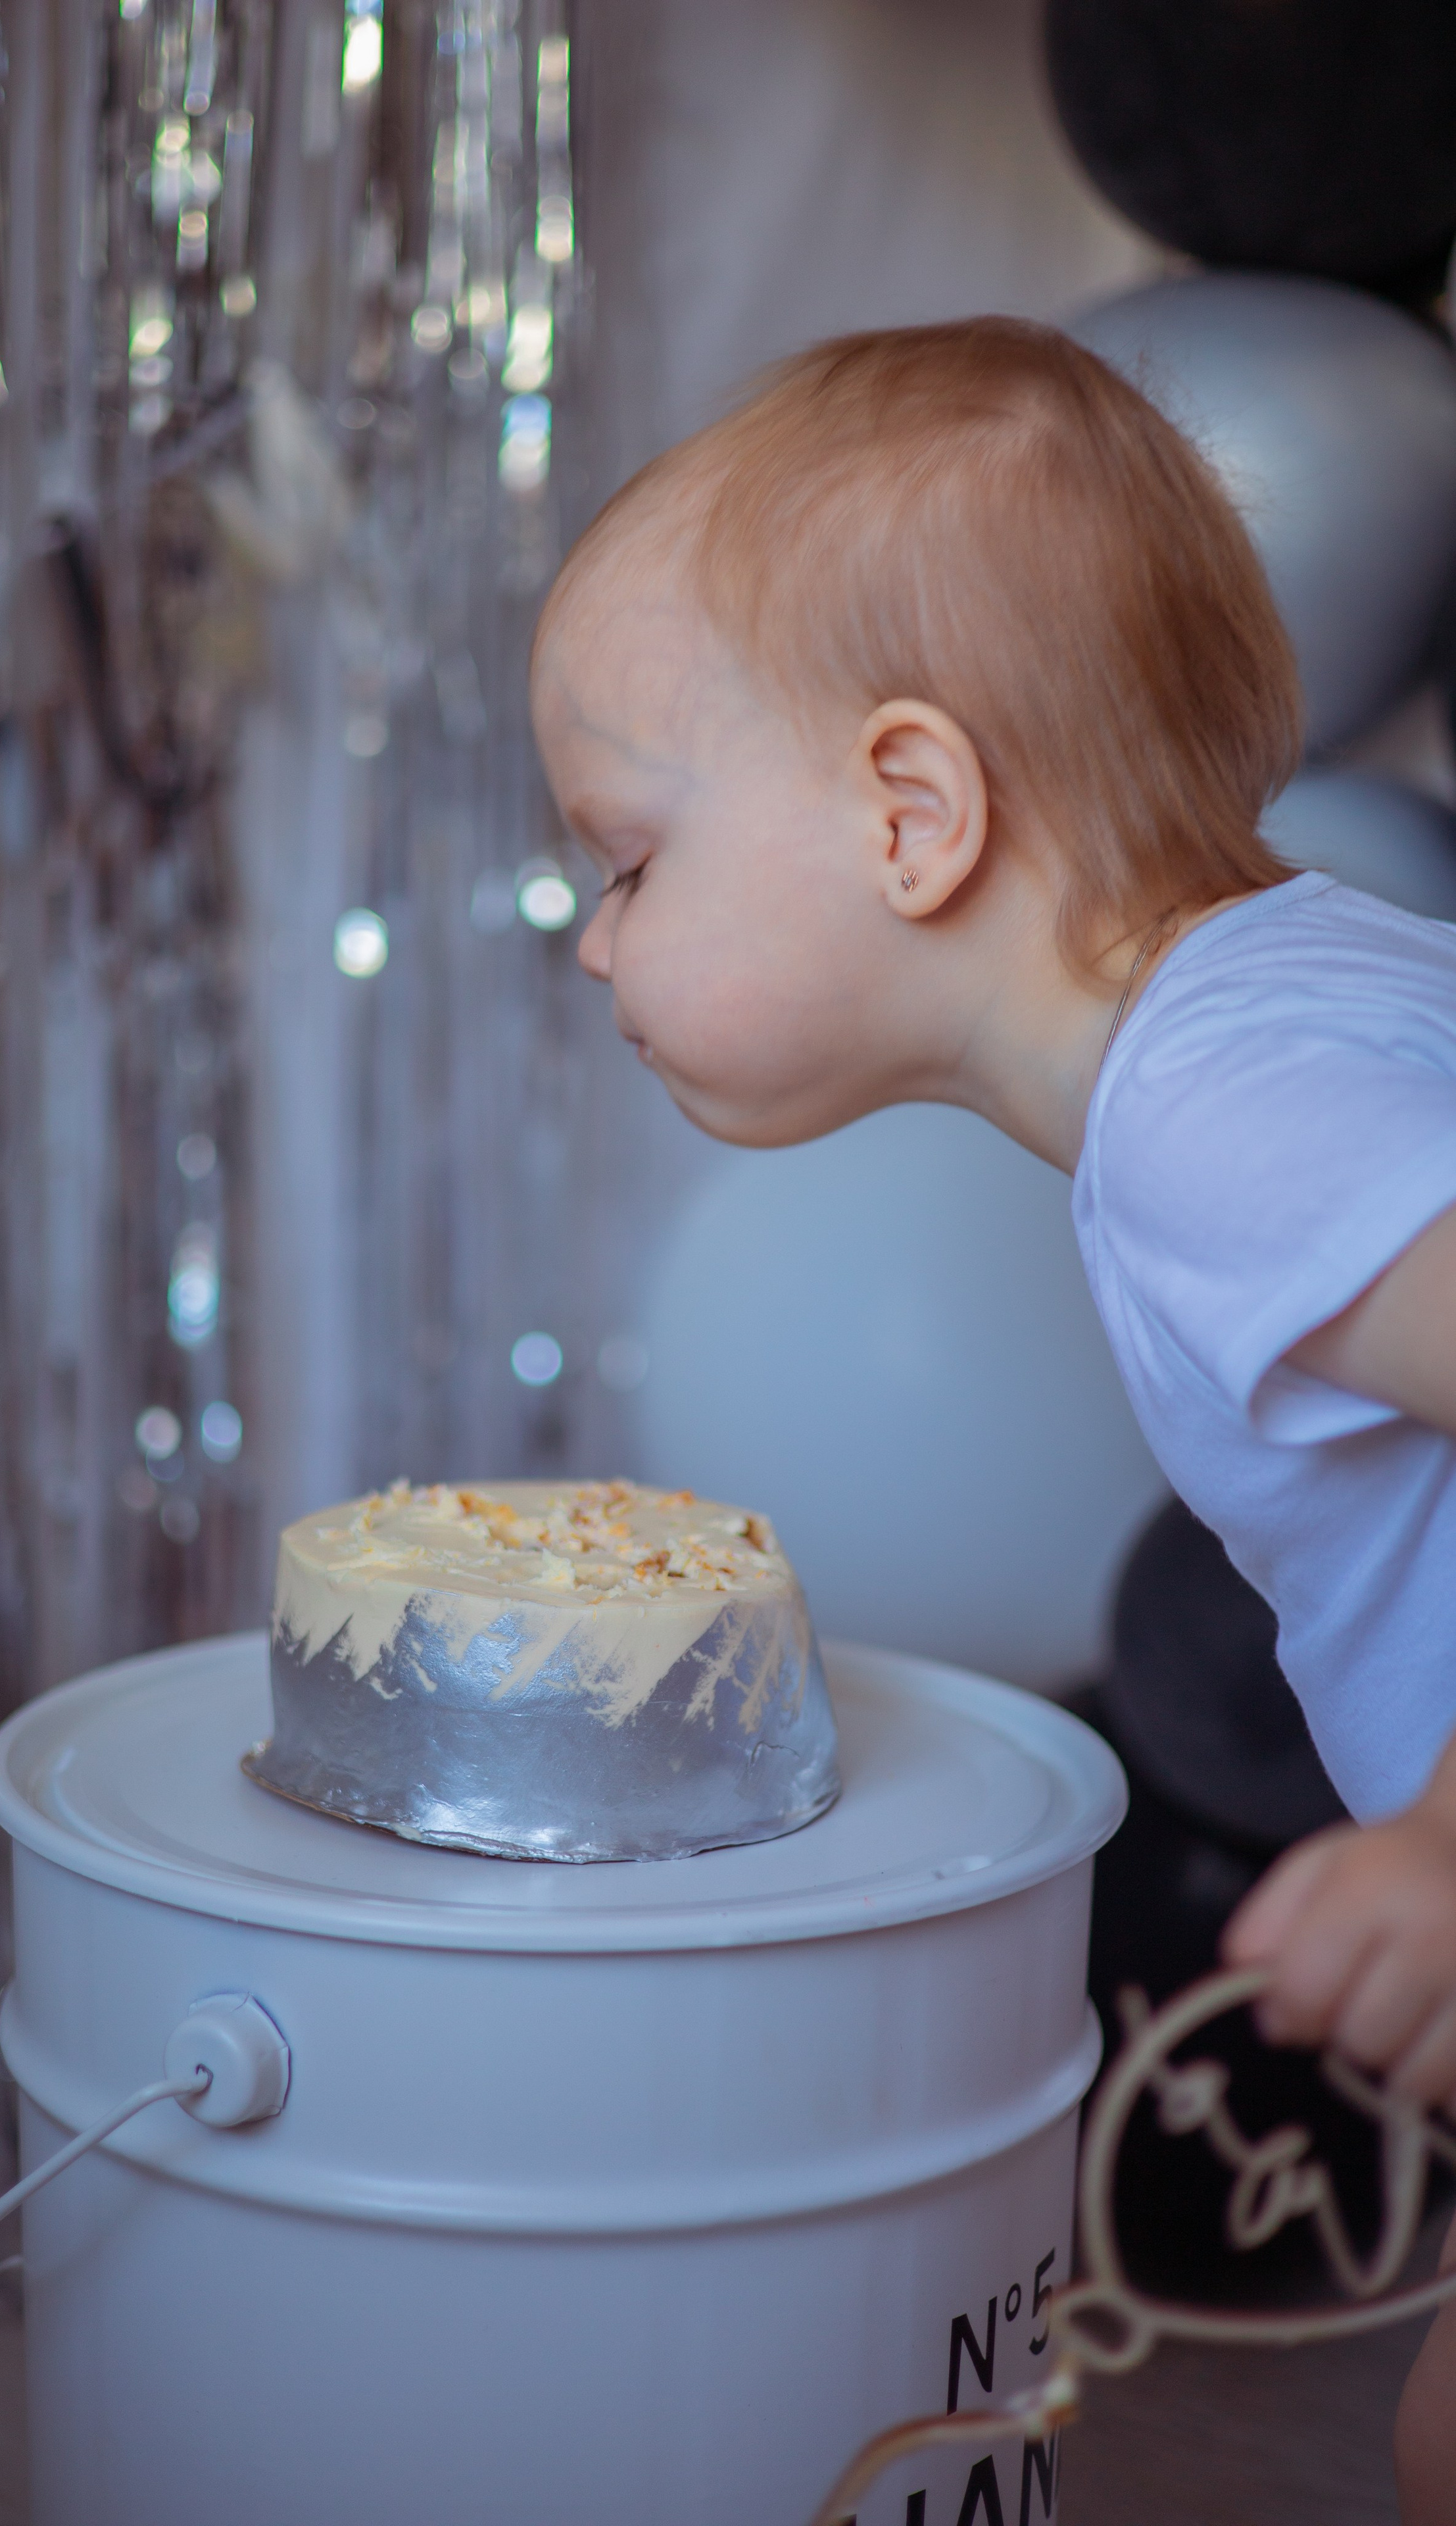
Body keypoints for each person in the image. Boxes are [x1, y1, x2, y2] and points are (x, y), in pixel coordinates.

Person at [529, 319, 1456, 2517]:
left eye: (628, 857)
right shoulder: (1300, 990)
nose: (591, 942)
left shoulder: (1222, 1119)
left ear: (913, 811)